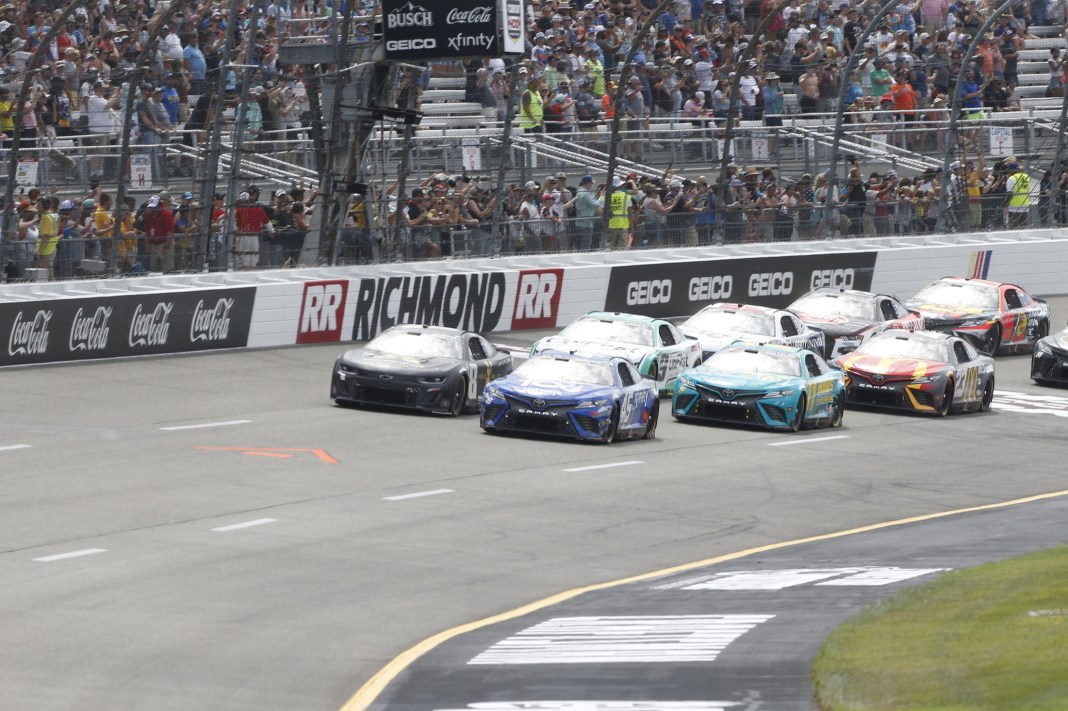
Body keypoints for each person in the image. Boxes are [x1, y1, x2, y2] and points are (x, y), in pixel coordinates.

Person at [143, 194, 176, 272]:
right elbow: (147, 230)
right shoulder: (150, 215)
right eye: (151, 207)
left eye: (154, 206)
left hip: (164, 243)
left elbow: (170, 231)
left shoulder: (167, 214)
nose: (153, 209)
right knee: (154, 267)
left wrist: (166, 246)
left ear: (159, 204)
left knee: (167, 266)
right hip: (154, 244)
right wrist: (148, 243)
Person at [606, 176, 634, 250]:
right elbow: (630, 212)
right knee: (623, 247)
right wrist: (632, 227)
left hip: (611, 224)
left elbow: (602, 210)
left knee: (612, 247)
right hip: (623, 224)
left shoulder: (607, 196)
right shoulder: (626, 196)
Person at [1006, 162, 1031, 228]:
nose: (1008, 172)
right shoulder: (1026, 177)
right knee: (1024, 228)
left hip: (1014, 208)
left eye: (1009, 170)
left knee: (1014, 228)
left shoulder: (1011, 179)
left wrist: (1006, 206)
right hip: (1025, 206)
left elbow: (1009, 194)